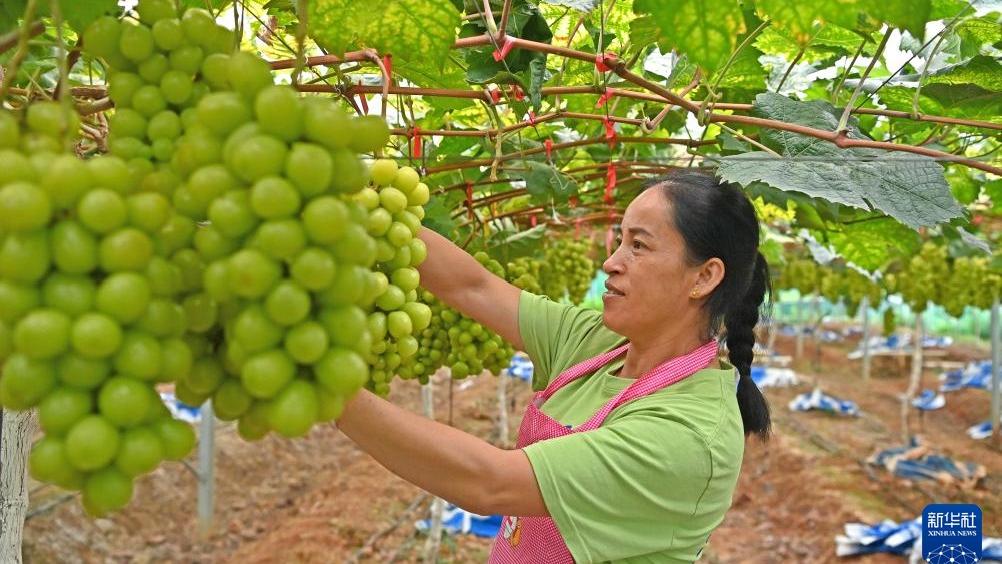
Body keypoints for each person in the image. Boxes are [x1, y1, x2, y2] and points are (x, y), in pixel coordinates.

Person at [335, 169, 772, 563]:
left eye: (638, 245)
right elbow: (473, 286)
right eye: (619, 240)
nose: (610, 263)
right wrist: (361, 205)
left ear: (704, 277)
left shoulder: (691, 435)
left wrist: (327, 387)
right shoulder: (600, 343)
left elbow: (489, 483)